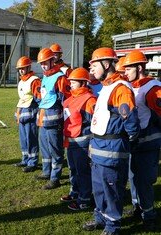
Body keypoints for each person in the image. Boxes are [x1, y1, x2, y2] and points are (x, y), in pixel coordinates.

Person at [83, 47, 140, 235]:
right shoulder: (107, 86)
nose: (91, 69)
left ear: (106, 64)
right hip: (99, 148)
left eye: (94, 65)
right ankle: (100, 217)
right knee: (99, 189)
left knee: (111, 190)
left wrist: (128, 139)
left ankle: (112, 226)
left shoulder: (120, 88)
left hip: (112, 150)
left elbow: (130, 119)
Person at [123, 50, 161, 231]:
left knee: (144, 181)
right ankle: (138, 206)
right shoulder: (133, 85)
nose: (125, 73)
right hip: (135, 142)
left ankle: (149, 215)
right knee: (133, 177)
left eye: (128, 69)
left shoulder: (153, 88)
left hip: (147, 142)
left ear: (139, 68)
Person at [60, 68, 97, 211]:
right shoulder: (71, 98)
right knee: (73, 169)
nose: (70, 84)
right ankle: (75, 192)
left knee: (83, 171)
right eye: (70, 81)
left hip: (82, 140)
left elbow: (94, 121)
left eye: (73, 82)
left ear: (83, 83)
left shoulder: (89, 99)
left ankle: (85, 199)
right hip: (71, 140)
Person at [35, 48, 70, 190]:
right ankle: (46, 171)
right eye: (41, 63)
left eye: (45, 62)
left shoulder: (60, 77)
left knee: (55, 150)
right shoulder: (46, 76)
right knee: (45, 148)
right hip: (43, 119)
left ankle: (55, 178)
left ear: (52, 60)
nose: (43, 65)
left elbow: (65, 99)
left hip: (54, 120)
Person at [14, 56, 41, 173]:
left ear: (28, 67)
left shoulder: (34, 80)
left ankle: (32, 162)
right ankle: (25, 159)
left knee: (31, 139)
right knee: (24, 139)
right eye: (19, 68)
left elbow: (39, 98)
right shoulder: (21, 81)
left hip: (31, 113)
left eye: (23, 68)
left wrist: (39, 113)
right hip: (22, 114)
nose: (21, 70)